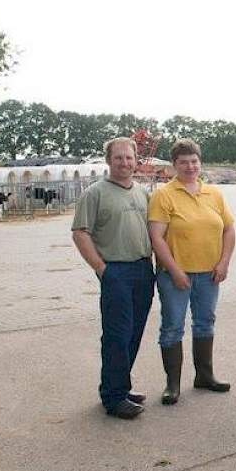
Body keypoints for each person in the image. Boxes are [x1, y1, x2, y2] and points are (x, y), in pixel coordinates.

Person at [71, 137, 155, 420]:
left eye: (129, 158)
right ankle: (113, 397)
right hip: (115, 271)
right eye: (118, 158)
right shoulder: (95, 193)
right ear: (109, 160)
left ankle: (120, 386)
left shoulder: (142, 193)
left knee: (134, 333)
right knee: (117, 335)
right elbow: (80, 232)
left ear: (136, 160)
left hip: (143, 270)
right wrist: (101, 268)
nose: (124, 163)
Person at [148, 139, 235, 405]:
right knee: (173, 327)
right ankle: (172, 383)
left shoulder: (214, 194)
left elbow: (228, 229)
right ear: (174, 165)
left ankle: (204, 376)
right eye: (183, 162)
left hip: (209, 274)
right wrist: (174, 270)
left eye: (194, 161)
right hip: (176, 276)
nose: (190, 166)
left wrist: (223, 263)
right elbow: (156, 237)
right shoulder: (164, 195)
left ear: (200, 162)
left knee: (205, 322)